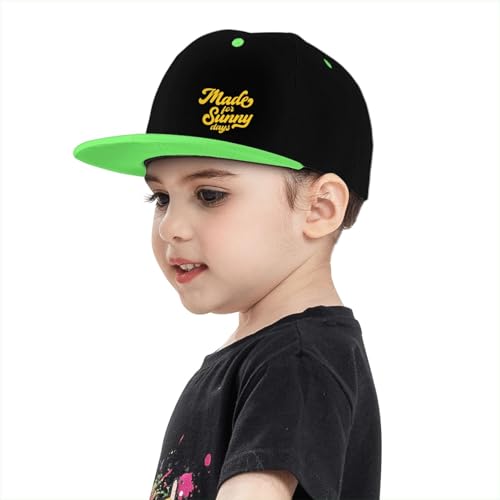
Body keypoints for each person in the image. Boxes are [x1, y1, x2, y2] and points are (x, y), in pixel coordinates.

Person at [73, 29, 381, 500]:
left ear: (320, 208)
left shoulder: (296, 362)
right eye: (161, 197)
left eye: (209, 194)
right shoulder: (267, 355)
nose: (170, 227)